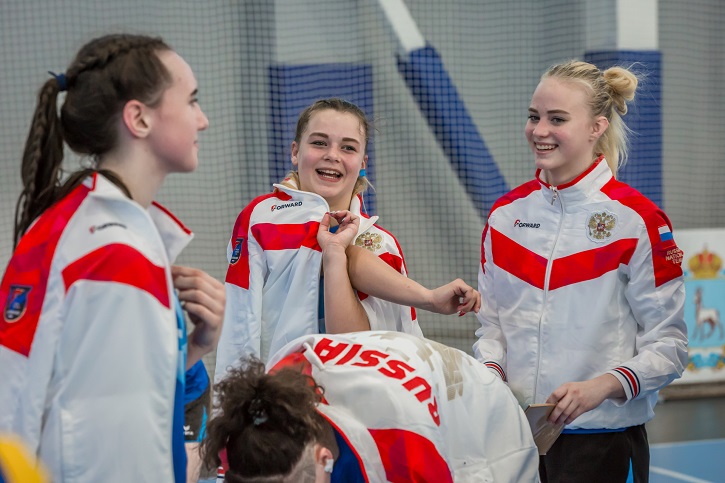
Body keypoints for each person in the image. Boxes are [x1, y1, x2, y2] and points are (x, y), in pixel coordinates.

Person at [0, 34, 225, 483]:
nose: (202, 120)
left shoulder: (87, 227)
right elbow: (112, 447)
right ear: (139, 118)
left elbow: (92, 394)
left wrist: (193, 346)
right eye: (191, 101)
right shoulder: (112, 254)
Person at [474, 59, 688, 482]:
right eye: (534, 116)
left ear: (596, 127)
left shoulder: (638, 220)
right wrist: (491, 376)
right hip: (513, 440)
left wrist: (603, 386)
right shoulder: (504, 217)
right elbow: (492, 328)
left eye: (557, 119)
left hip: (604, 442)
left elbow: (671, 346)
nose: (539, 130)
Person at [215, 97, 478, 376]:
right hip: (277, 394)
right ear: (295, 151)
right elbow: (240, 317)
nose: (332, 155)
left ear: (362, 163)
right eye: (319, 143)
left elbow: (397, 340)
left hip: (359, 394)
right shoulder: (260, 217)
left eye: (348, 147)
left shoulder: (382, 244)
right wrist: (232, 397)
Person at [203, 331, 540, 483]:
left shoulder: (405, 447)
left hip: (476, 412)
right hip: (385, 377)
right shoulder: (249, 423)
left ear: (323, 458)